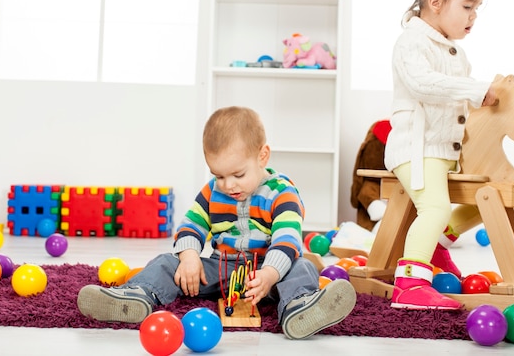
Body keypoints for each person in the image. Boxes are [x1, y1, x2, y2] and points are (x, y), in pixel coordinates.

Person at [77, 106, 357, 339]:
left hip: (267, 274)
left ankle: (298, 307)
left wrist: (270, 275)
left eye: (237, 174)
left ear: (262, 156)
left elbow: (288, 240)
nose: (228, 185)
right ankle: (135, 296)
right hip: (222, 270)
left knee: (303, 265)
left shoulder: (282, 193)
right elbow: (190, 226)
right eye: (218, 175)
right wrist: (189, 258)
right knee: (166, 262)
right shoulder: (213, 191)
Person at [383, 0, 499, 310]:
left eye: (477, 8)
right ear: (435, 2)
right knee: (434, 208)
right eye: (467, 7)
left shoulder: (457, 53)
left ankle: (433, 248)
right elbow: (423, 84)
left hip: (445, 152)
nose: (474, 16)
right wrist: (478, 90)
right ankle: (410, 284)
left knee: (487, 200)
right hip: (415, 151)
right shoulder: (411, 42)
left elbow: (462, 107)